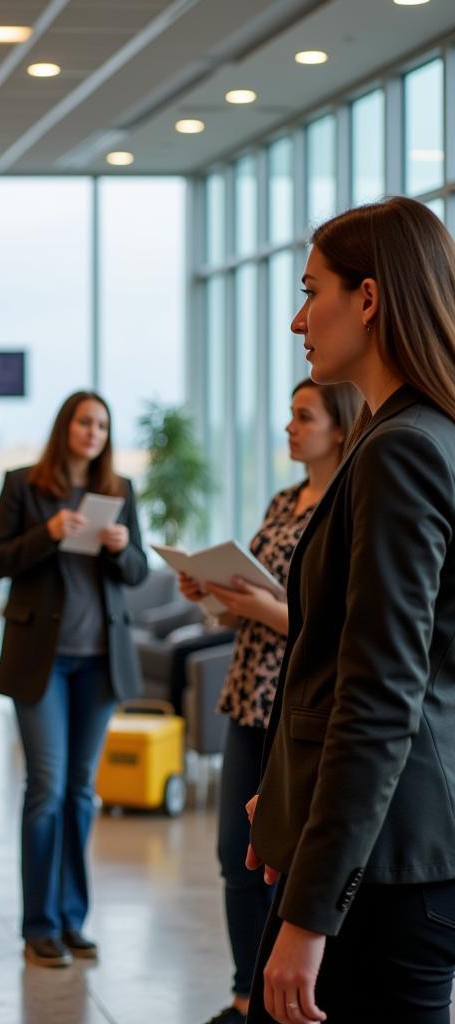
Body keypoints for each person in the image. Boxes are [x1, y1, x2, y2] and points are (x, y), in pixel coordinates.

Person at [247, 196, 455, 1024]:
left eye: (312, 290)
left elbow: (382, 692)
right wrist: (296, 795)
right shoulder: (416, 431)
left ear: (368, 299)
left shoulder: (401, 449)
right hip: (401, 852)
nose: (300, 318)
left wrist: (310, 914)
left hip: (387, 873)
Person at [177, 379, 359, 1024]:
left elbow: (333, 626)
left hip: (299, 703)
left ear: (338, 427)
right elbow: (241, 609)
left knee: (281, 856)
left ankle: (289, 995)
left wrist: (258, 605)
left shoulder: (347, 504)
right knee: (236, 852)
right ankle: (244, 992)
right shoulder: (285, 501)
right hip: (247, 691)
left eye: (302, 417)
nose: (289, 427)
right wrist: (209, 592)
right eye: (289, 415)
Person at [0, 390, 148, 967]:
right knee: (47, 789)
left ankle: (72, 920)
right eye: (85, 421)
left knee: (81, 793)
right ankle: (39, 926)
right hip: (42, 661)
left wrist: (122, 548)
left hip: (100, 662)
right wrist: (49, 532)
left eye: (103, 424)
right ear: (66, 427)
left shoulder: (120, 492)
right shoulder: (24, 483)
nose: (93, 431)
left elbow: (137, 572)